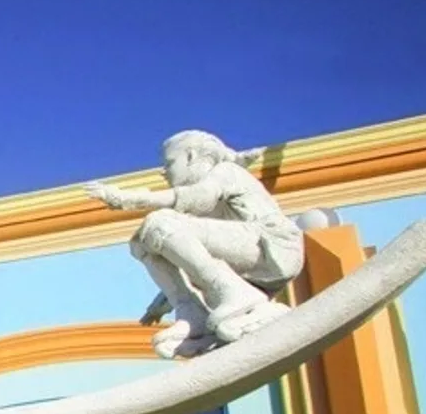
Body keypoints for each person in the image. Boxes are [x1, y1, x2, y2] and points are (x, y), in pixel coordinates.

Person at [85, 130, 304, 359]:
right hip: (249, 259)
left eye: (169, 163)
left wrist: (129, 199)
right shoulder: (200, 213)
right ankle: (192, 313)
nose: (163, 171)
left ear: (190, 157)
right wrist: (166, 299)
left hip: (272, 247)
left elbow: (198, 197)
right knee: (142, 241)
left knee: (160, 223)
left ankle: (235, 294)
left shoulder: (226, 172)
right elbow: (188, 257)